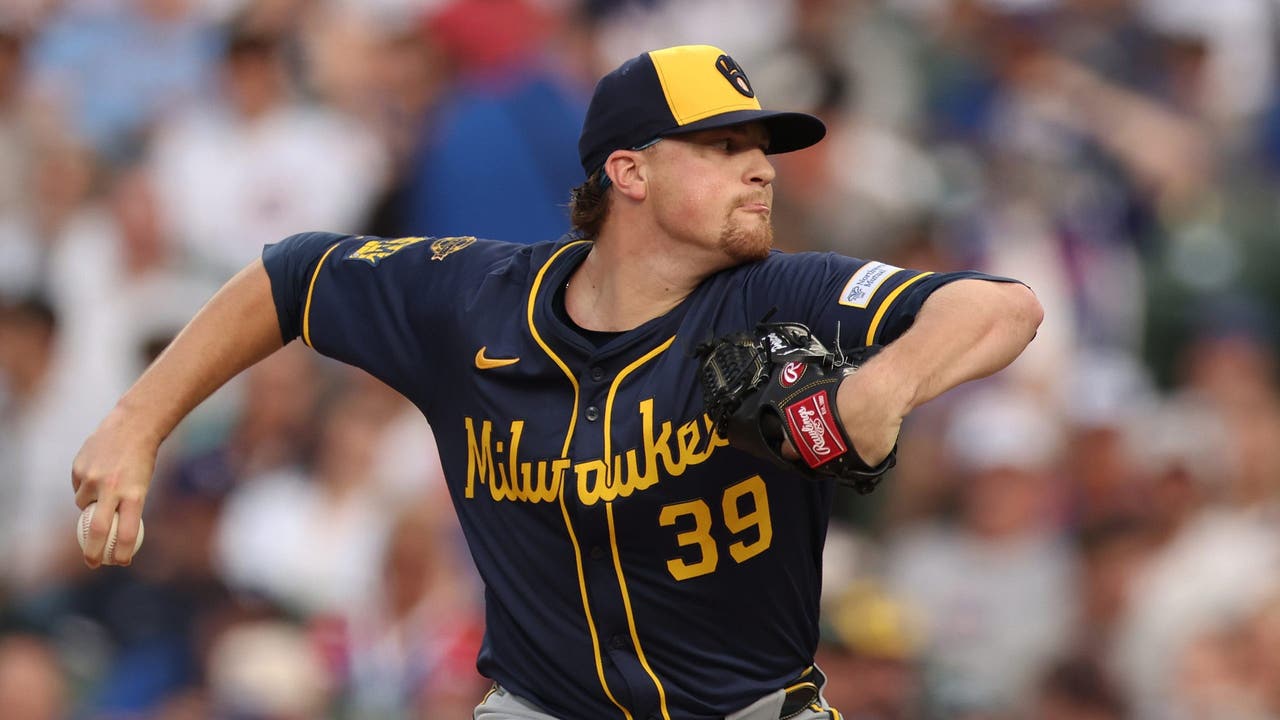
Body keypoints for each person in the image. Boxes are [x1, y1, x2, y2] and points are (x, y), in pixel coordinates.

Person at [71, 44, 1043, 720]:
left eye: (761, 149)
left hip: (750, 707)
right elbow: (292, 277)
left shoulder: (782, 293)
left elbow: (1001, 308)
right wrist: (136, 421)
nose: (761, 171)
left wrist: (880, 388)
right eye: (723, 148)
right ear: (629, 171)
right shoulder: (474, 302)